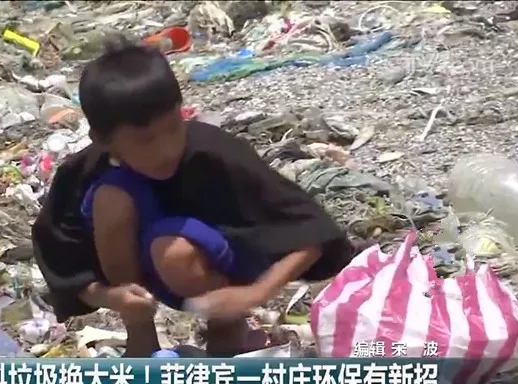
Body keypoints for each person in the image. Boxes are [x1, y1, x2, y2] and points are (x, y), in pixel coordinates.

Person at [32, 37, 354, 357]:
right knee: (110, 199)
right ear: (103, 141)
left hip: (217, 267)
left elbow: (312, 232)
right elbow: (62, 255)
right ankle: (141, 333)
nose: (166, 149)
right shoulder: (84, 173)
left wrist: (254, 294)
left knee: (173, 253)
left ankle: (227, 329)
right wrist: (109, 296)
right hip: (144, 276)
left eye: (173, 128)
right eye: (145, 140)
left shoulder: (217, 153)